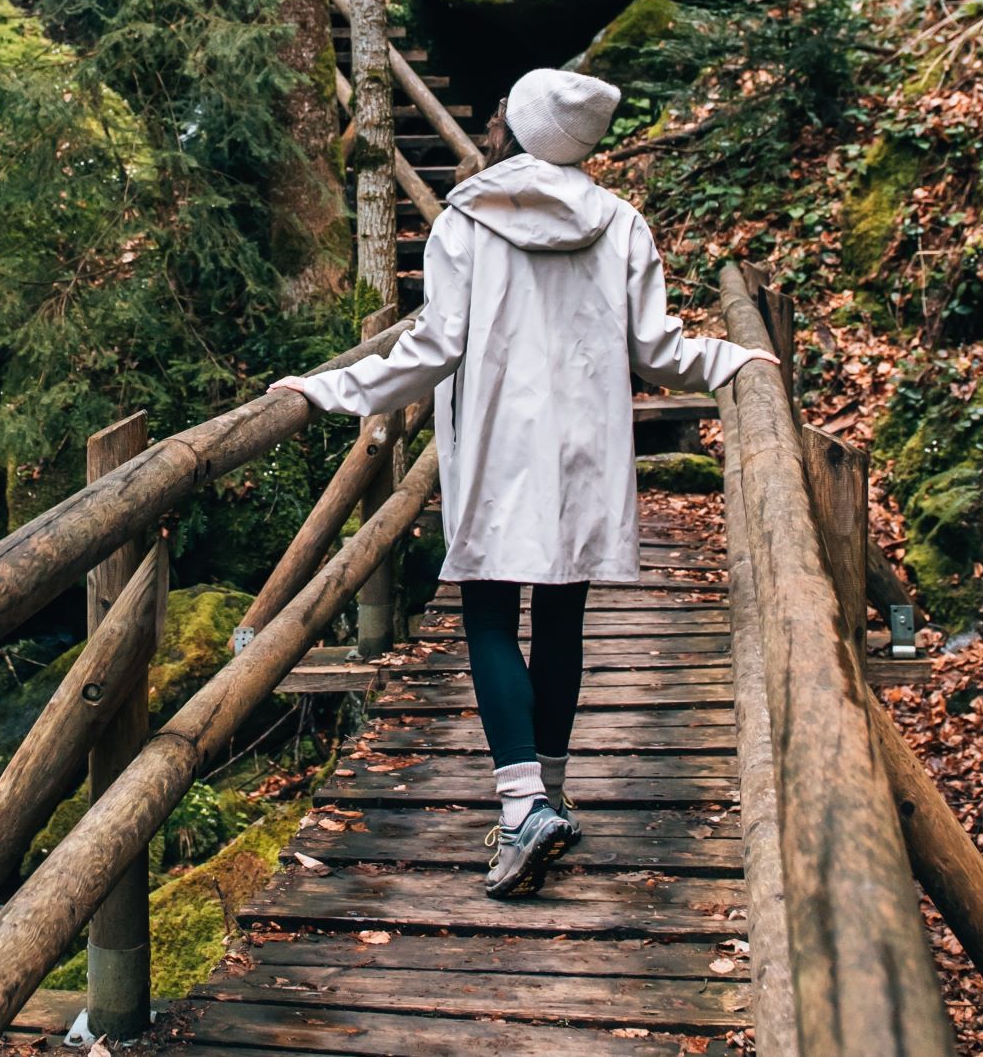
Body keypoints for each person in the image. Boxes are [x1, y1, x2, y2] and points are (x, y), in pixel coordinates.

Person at [271, 68, 778, 899]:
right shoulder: (621, 224)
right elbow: (657, 349)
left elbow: (434, 346)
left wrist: (328, 388)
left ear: (516, 129)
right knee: (563, 616)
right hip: (583, 452)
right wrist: (732, 358)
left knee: (489, 615)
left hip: (502, 447)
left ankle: (520, 809)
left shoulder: (466, 222)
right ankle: (550, 789)